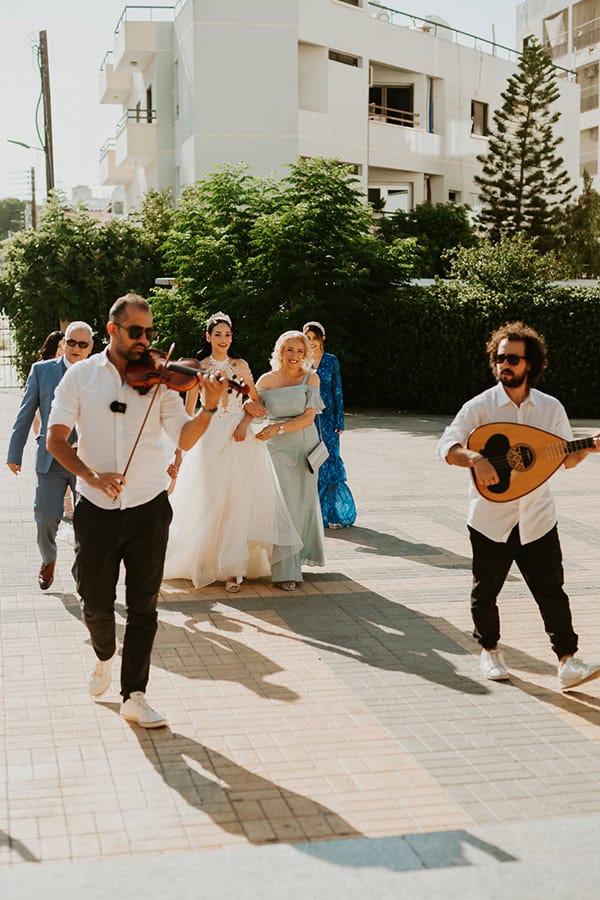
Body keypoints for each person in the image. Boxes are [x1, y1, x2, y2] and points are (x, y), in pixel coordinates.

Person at [47, 293, 227, 729]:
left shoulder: (161, 381)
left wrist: (209, 405)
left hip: (149, 505)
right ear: (112, 331)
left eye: (150, 332)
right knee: (95, 601)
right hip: (97, 509)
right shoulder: (81, 377)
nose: (145, 340)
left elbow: (184, 438)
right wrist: (90, 475)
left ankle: (135, 694)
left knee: (144, 606)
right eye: (136, 332)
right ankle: (104, 655)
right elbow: (55, 439)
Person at [437, 321, 600, 691]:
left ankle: (568, 661)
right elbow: (447, 445)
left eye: (512, 359)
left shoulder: (549, 408)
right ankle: (490, 651)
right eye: (499, 358)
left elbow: (562, 458)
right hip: (490, 516)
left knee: (551, 590)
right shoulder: (479, 407)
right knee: (486, 591)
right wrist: (474, 458)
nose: (504, 365)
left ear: (531, 364)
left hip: (538, 516)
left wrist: (588, 446)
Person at [163, 312, 302, 591]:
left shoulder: (240, 365)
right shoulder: (198, 366)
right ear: (208, 337)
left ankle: (232, 571)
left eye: (227, 334)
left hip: (240, 439)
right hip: (209, 436)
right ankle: (206, 563)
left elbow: (256, 401)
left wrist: (246, 421)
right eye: (218, 334)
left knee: (238, 501)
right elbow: (189, 411)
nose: (223, 339)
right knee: (210, 498)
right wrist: (178, 452)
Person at [7, 321, 93, 590]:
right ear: (63, 343)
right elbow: (25, 414)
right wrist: (14, 452)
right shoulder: (41, 371)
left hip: (87, 461)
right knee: (45, 515)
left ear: (90, 348)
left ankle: (82, 573)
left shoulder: (99, 374)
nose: (75, 348)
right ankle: (48, 558)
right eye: (71, 342)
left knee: (88, 520)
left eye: (82, 344)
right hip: (51, 457)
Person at [251, 330, 326, 591]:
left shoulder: (311, 378)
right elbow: (253, 410)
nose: (294, 356)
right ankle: (285, 570)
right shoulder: (266, 380)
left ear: (306, 354)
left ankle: (296, 562)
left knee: (301, 505)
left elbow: (308, 418)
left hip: (304, 446)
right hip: (275, 448)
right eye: (289, 350)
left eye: (300, 351)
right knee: (281, 506)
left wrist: (279, 429)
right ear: (279, 351)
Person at [303, 321, 356, 529]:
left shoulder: (331, 361)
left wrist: (339, 420)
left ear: (321, 339)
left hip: (328, 419)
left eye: (314, 339)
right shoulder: (302, 361)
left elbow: (337, 390)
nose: (311, 343)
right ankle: (312, 514)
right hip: (308, 419)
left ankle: (333, 513)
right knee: (311, 462)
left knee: (330, 463)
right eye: (307, 339)